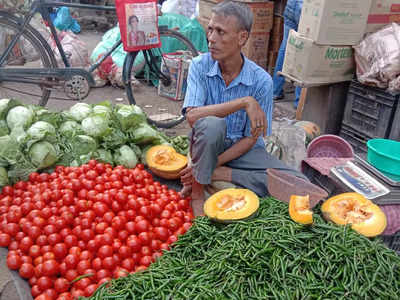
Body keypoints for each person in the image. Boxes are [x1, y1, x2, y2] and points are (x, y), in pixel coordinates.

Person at [179, 0, 308, 216]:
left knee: (300, 184)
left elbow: (251, 139)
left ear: (242, 38)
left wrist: (213, 166)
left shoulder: (261, 81)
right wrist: (243, 102)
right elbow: (192, 117)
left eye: (221, 32)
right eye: (211, 29)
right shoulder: (199, 66)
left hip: (243, 150)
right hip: (207, 144)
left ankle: (218, 174)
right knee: (212, 125)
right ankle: (197, 194)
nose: (211, 39)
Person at [272, 0, 303, 109]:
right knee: (304, 50)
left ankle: (275, 90)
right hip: (306, 7)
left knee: (286, 47)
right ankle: (299, 101)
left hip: (292, 4)